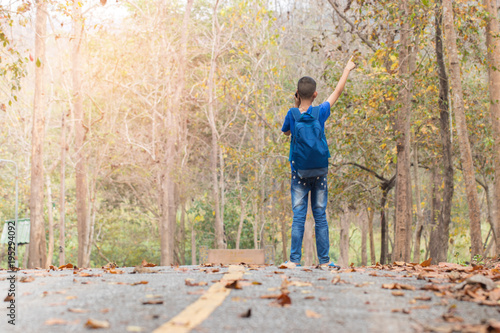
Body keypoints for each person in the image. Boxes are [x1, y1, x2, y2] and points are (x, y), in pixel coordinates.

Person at [281, 57, 356, 268]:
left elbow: (286, 133)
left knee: (299, 217)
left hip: (299, 173)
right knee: (320, 216)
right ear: (315, 94)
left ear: (297, 94)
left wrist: (296, 106)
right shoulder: (321, 111)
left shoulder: (292, 114)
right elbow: (337, 92)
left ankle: (294, 260)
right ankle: (324, 261)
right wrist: (346, 69)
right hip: (320, 173)